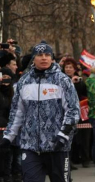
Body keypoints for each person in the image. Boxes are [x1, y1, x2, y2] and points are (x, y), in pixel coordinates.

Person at [0, 41, 80, 182]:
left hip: (57, 146)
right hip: (30, 146)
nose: (44, 58)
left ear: (52, 58)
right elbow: (17, 112)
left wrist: (63, 135)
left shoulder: (62, 81)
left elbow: (73, 111)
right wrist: (8, 136)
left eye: (47, 55)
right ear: (34, 58)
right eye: (40, 55)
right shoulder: (24, 82)